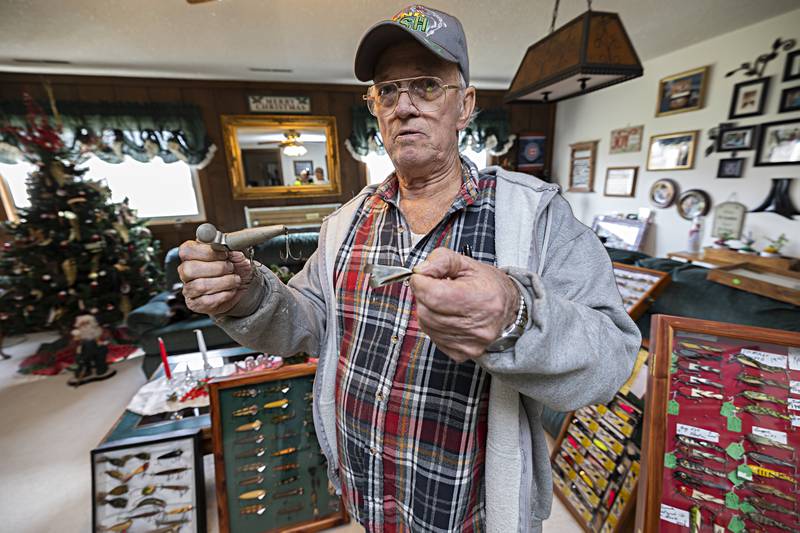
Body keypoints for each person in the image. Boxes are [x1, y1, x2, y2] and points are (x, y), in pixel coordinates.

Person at [178, 5, 640, 532]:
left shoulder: (535, 216)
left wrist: (515, 316)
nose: (404, 106)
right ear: (374, 109)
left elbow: (612, 359)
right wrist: (246, 291)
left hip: (469, 511)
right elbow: (306, 320)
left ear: (465, 105)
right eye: (387, 91)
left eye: (425, 85)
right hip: (365, 490)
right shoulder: (343, 223)